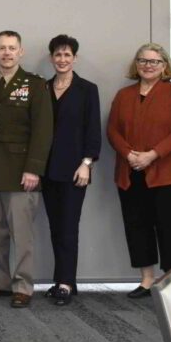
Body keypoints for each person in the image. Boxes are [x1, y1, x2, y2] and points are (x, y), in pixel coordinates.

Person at [107, 43, 171, 299]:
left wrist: (152, 155)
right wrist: (129, 154)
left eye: (154, 61)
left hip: (170, 173)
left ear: (164, 66)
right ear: (136, 64)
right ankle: (147, 280)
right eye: (143, 60)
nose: (148, 65)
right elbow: (112, 130)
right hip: (131, 171)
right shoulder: (123, 95)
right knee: (137, 226)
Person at [0, 31, 53, 309]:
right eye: (2, 48)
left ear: (21, 52)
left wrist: (34, 169)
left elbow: (43, 131)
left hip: (21, 171)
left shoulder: (35, 84)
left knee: (22, 234)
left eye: (12, 48)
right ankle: (0, 281)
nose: (7, 53)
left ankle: (23, 286)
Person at [40, 34, 101, 306]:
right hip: (47, 169)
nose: (62, 59)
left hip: (75, 170)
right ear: (51, 58)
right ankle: (61, 281)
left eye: (67, 55)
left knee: (68, 227)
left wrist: (87, 163)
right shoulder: (43, 88)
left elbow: (93, 130)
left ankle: (66, 282)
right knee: (55, 227)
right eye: (58, 54)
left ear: (75, 58)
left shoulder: (87, 89)